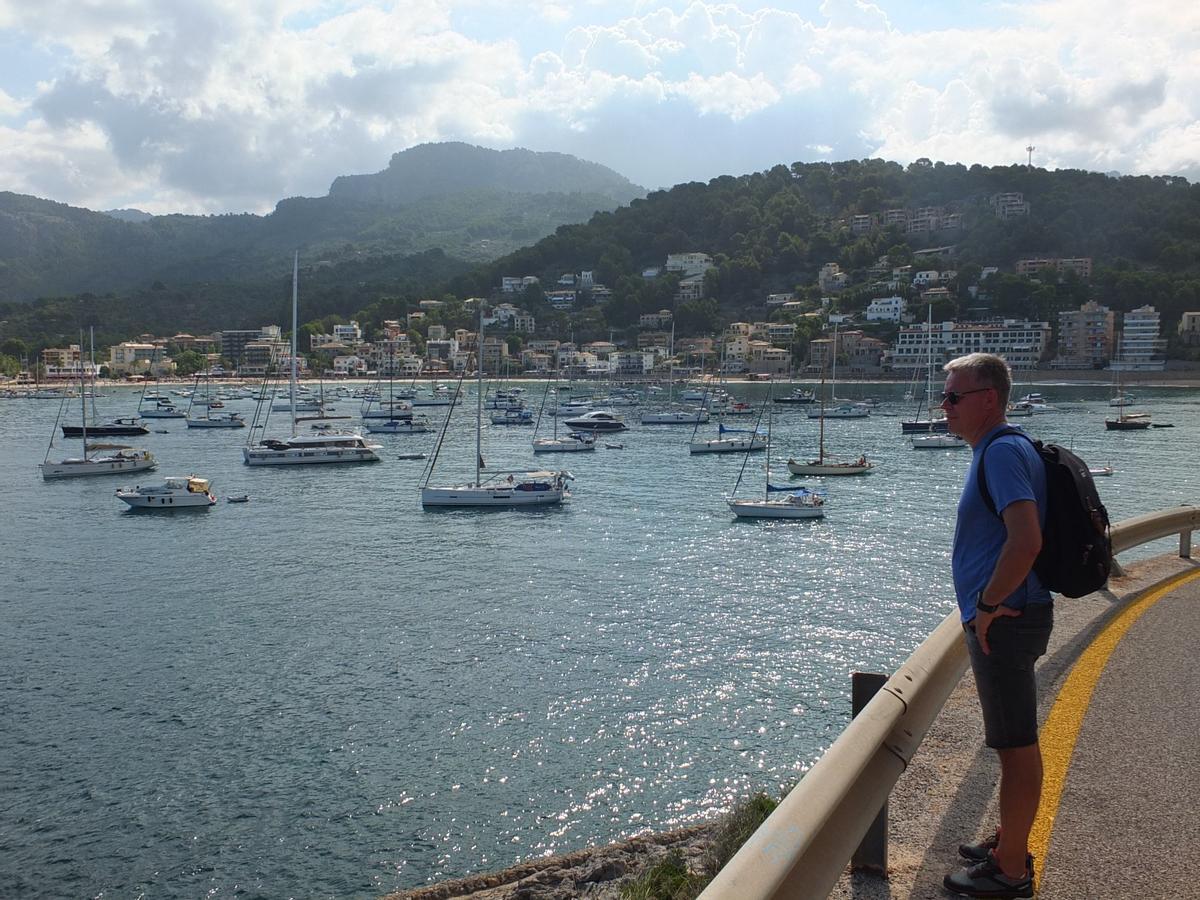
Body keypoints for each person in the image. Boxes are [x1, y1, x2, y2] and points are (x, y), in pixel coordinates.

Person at [940, 353, 1051, 900]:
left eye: (954, 396)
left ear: (989, 398)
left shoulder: (1002, 453)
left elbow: (1025, 540)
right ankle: (1011, 839)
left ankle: (1011, 871)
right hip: (1011, 615)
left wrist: (985, 606)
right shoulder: (1005, 449)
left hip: (1003, 621)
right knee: (1016, 741)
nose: (945, 406)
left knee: (1015, 745)